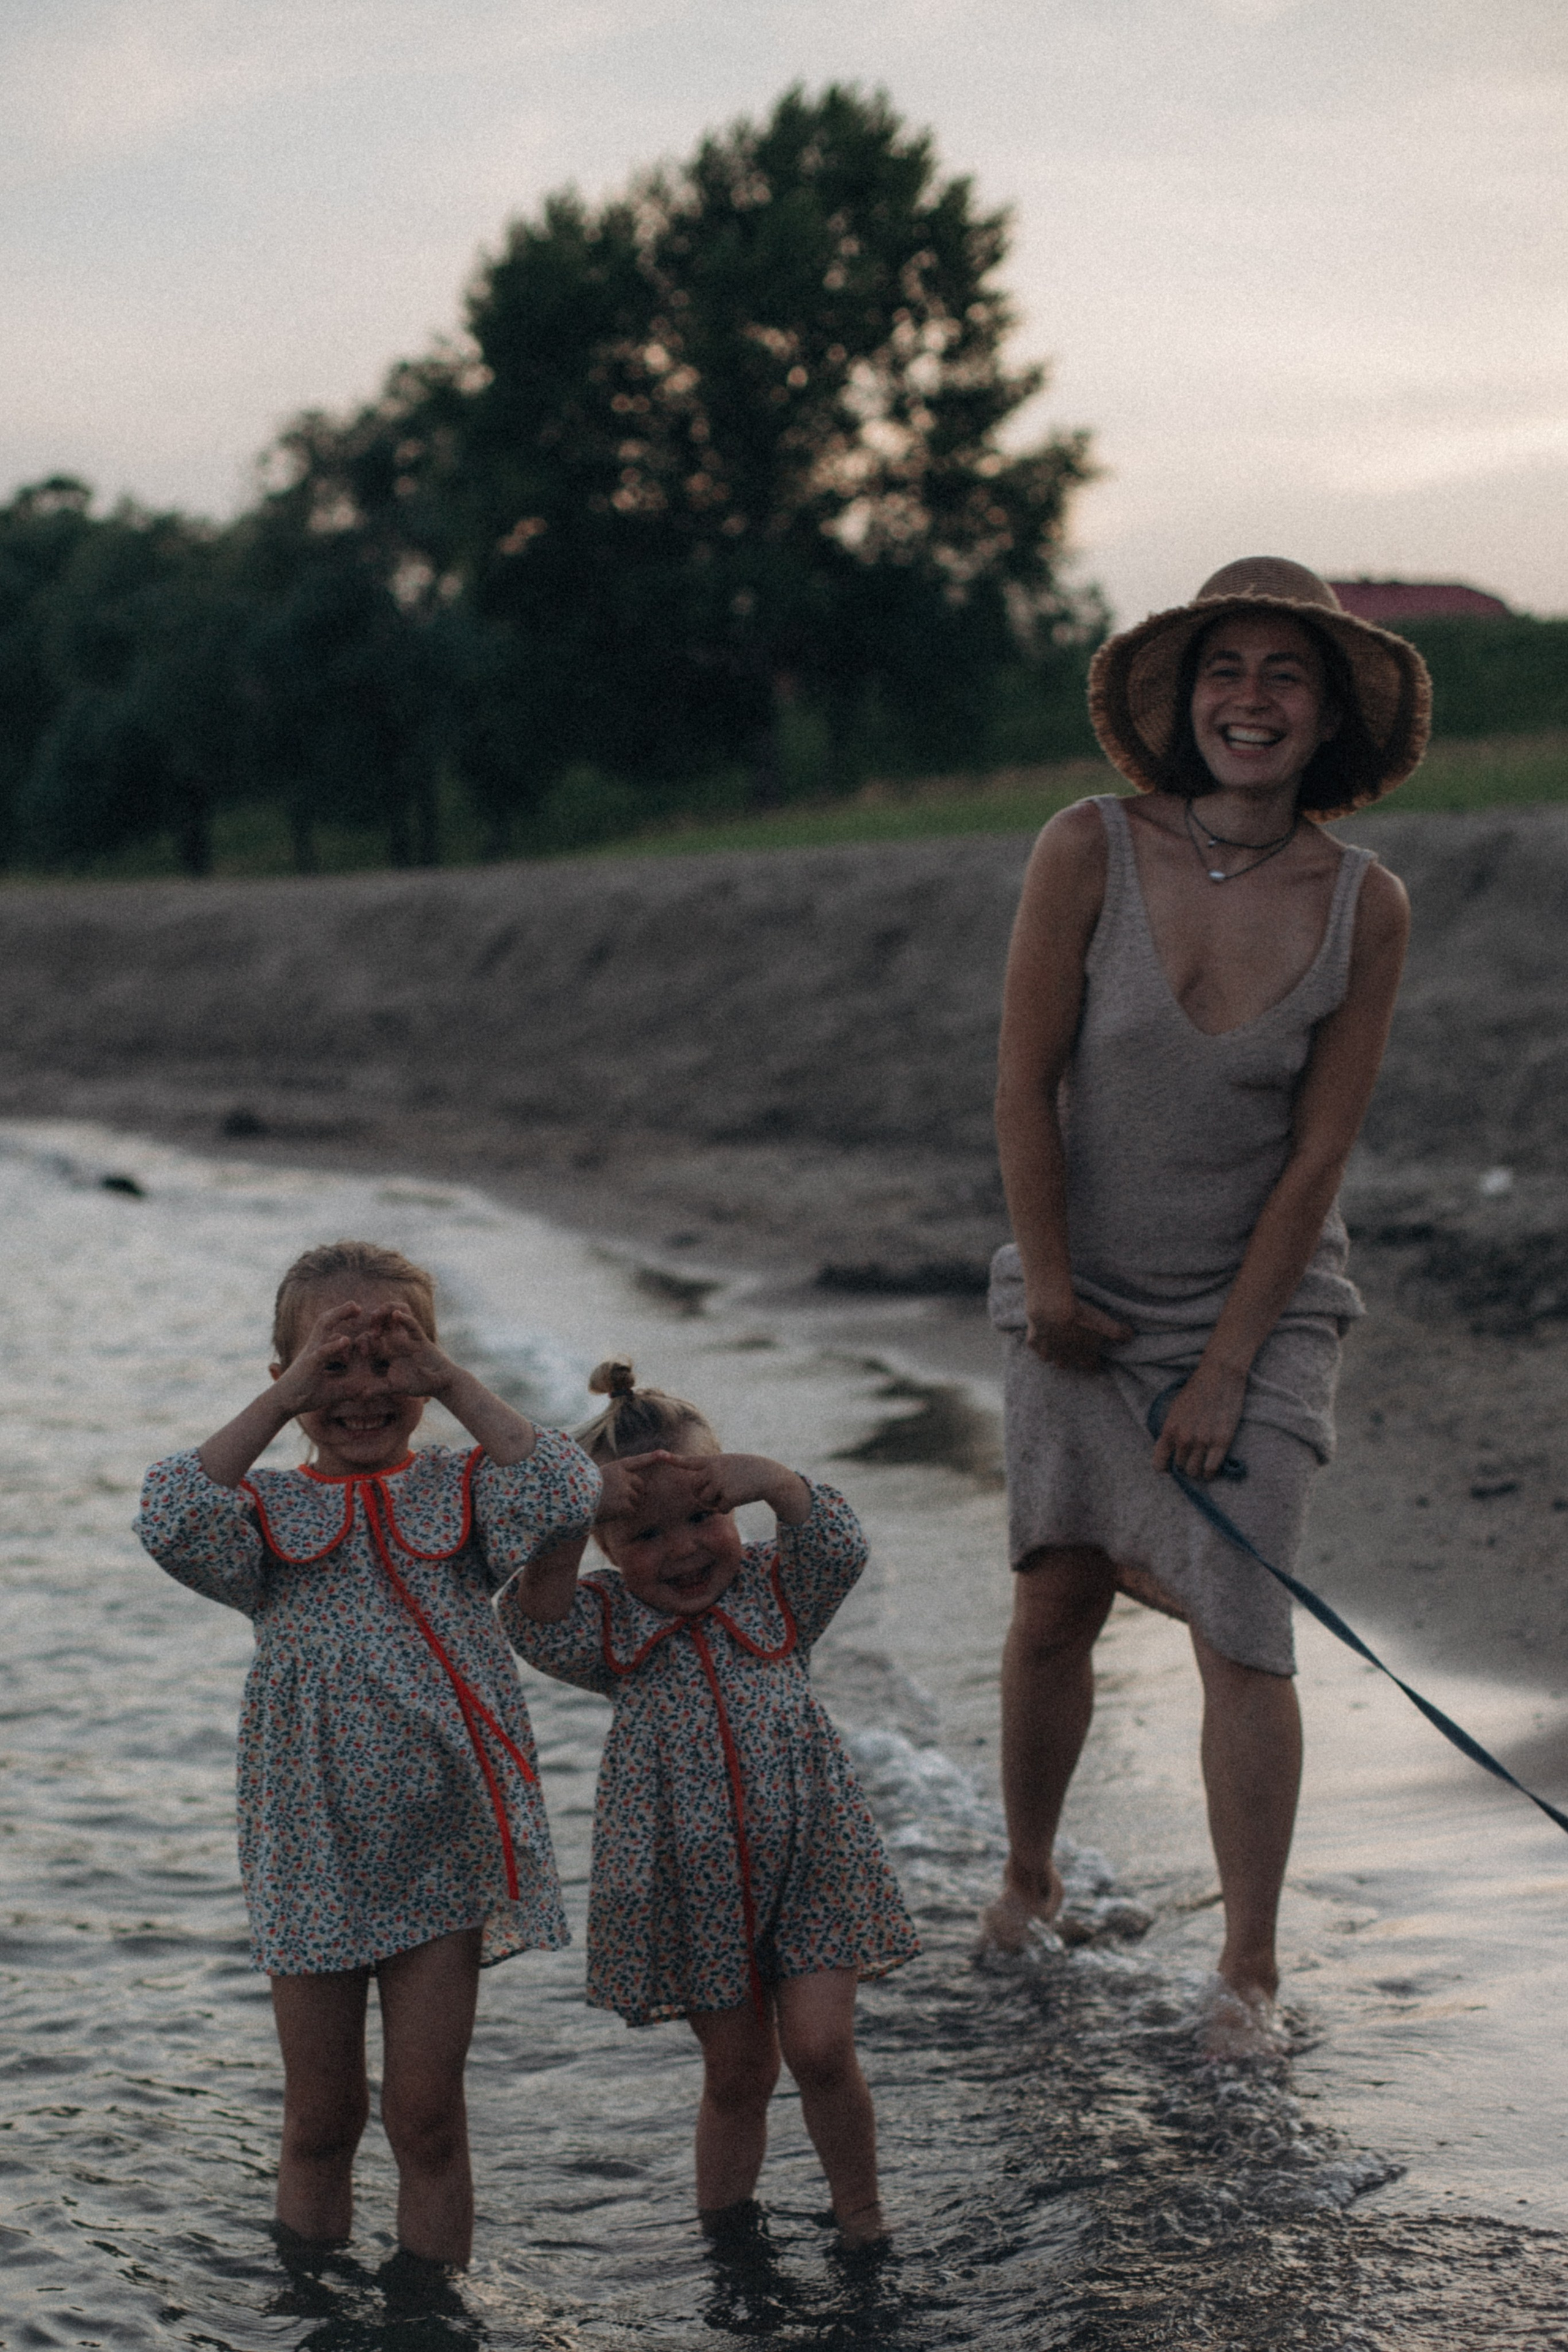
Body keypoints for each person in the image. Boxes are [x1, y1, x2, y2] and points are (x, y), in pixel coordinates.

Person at [980, 557, 1430, 2050]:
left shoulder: (1363, 905)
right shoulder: (1084, 847)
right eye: (1222, 669)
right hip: (1081, 1288)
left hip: (1262, 1306)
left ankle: (1247, 1972)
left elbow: (1318, 1153)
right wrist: (1050, 1288)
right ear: (1180, 702)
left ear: (1326, 715)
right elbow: (1022, 1085)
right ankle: (1028, 1878)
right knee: (1056, 1594)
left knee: (1242, 1622)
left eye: (1282, 675)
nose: (1249, 699)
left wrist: (1228, 1364)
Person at [135, 1240, 620, 2270]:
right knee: (321, 2120)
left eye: (389, 1364)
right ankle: (313, 2309)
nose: (362, 1391)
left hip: (444, 1852)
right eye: (333, 1366)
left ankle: (429, 2318)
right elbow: (167, 1514)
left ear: (430, 1370)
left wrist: (449, 1380)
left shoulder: (468, 1489)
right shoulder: (262, 1517)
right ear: (288, 1378)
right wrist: (284, 1402)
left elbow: (569, 1487)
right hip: (311, 1854)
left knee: (427, 2119)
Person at [500, 1360, 918, 2245]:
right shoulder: (609, 1622)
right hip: (694, 1889)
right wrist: (571, 1511)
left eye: (703, 1515)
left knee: (820, 2050)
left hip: (812, 1861)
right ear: (606, 1547)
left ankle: (862, 2213)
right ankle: (727, 2235)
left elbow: (839, 1545)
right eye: (646, 1534)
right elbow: (531, 1620)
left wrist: (771, 1478)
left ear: (732, 1504)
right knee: (738, 2074)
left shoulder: (777, 1589)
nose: (685, 1549)